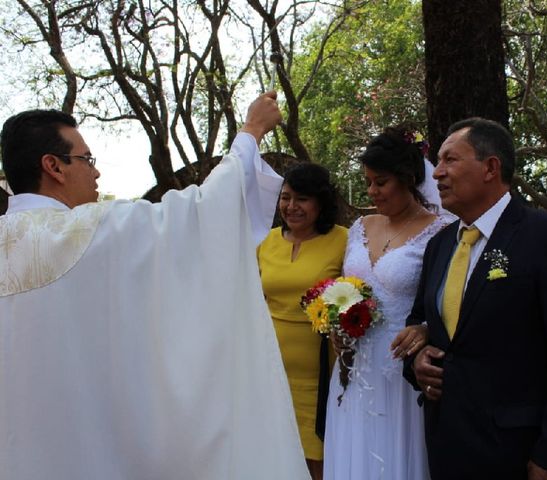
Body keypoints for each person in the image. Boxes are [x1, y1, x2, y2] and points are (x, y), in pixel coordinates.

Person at [0, 92, 311, 480]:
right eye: (86, 159)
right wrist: (251, 131)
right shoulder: (89, 232)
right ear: (53, 166)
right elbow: (201, 215)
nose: (95, 173)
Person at [404, 117, 547, 480]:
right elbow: (421, 321)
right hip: (446, 443)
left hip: (518, 452)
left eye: (450, 160)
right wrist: (418, 358)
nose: (437, 174)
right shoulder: (439, 245)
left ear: (490, 167)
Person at [323, 125, 450, 480]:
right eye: (367, 182)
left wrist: (426, 329)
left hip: (402, 368)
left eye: (381, 182)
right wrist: (335, 319)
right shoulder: (360, 226)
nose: (372, 191)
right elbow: (346, 287)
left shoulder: (441, 231)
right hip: (354, 363)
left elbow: (449, 301)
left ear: (408, 178)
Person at [257, 163, 348, 480]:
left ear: (321, 202)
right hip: (269, 373)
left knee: (319, 463)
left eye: (302, 199)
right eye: (285, 197)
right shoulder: (264, 242)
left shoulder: (344, 240)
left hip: (322, 376)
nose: (291, 207)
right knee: (275, 459)